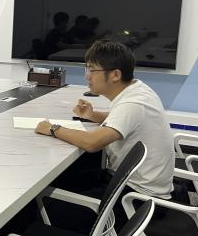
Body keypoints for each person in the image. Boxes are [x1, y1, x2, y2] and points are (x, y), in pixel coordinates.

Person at [35, 41, 174, 201]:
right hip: (134, 183)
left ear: (115, 75)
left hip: (136, 197)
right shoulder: (138, 90)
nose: (87, 76)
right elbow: (123, 119)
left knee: (44, 198)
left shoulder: (133, 104)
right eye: (87, 69)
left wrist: (52, 128)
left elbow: (92, 143)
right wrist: (92, 115)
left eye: (92, 70)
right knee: (72, 175)